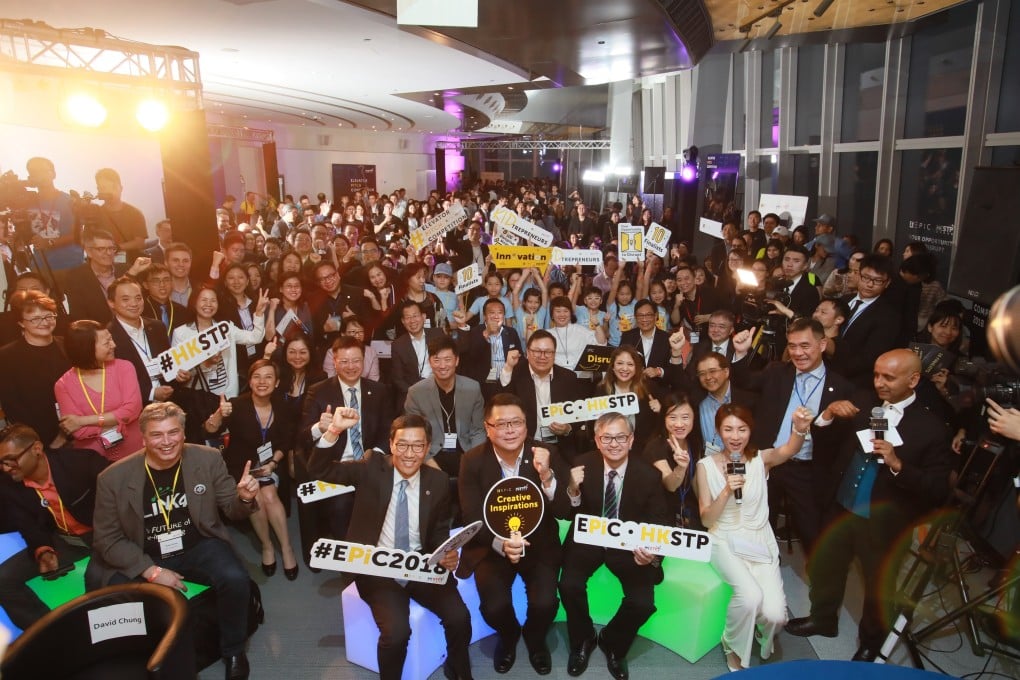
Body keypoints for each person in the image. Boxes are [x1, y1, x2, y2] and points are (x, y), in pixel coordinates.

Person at [786, 349, 954, 662]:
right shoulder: (863, 402)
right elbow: (829, 442)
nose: (879, 383)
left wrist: (897, 464)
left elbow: (937, 488)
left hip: (883, 521)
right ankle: (823, 619)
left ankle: (871, 642)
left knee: (879, 586)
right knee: (826, 567)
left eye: (889, 377)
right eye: (876, 374)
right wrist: (829, 415)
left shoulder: (930, 427)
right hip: (841, 506)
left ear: (914, 379)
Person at [86, 402, 260, 680]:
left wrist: (245, 498)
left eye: (173, 432)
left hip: (197, 543)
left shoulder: (208, 459)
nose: (167, 442)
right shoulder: (112, 478)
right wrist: (151, 571)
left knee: (235, 577)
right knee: (119, 595)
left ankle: (234, 650)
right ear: (143, 438)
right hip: (145, 551)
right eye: (157, 435)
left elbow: (232, 507)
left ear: (183, 433)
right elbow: (106, 539)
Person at [307, 413, 472, 680]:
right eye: (402, 445)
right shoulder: (372, 467)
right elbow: (320, 470)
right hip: (376, 565)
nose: (410, 453)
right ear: (392, 445)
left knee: (460, 618)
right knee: (396, 633)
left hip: (420, 563)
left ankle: (458, 668)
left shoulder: (438, 482)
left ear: (427, 447)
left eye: (418, 445)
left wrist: (445, 554)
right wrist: (333, 432)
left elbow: (439, 532)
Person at [457, 393, 572, 675]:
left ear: (527, 425)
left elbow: (565, 510)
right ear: (488, 428)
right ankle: (508, 636)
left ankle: (534, 637)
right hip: (492, 546)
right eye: (501, 423)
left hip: (539, 545)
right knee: (493, 607)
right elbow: (471, 516)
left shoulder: (547, 454)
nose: (509, 430)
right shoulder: (472, 461)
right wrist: (500, 543)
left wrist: (547, 476)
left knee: (546, 603)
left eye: (516, 422)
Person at [696, 403, 815, 671]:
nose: (735, 436)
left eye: (742, 429)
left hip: (759, 540)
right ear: (718, 431)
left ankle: (762, 632)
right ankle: (732, 643)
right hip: (723, 539)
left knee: (776, 616)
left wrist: (799, 427)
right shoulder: (705, 466)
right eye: (728, 429)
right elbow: (706, 519)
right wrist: (727, 490)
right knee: (749, 596)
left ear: (750, 431)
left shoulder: (761, 459)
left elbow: (790, 449)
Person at [729, 318, 856, 554]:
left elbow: (838, 441)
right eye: (792, 346)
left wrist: (826, 417)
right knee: (755, 522)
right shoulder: (777, 372)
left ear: (822, 344)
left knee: (812, 530)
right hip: (769, 463)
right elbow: (744, 381)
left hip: (807, 469)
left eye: (805, 346)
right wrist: (740, 353)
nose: (798, 353)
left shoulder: (841, 388)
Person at [559, 413, 669, 680]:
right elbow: (567, 514)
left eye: (621, 437)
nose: (614, 443)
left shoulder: (649, 475)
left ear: (631, 440)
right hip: (589, 539)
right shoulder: (582, 465)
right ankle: (583, 639)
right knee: (568, 585)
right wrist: (573, 490)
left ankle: (613, 642)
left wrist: (652, 553)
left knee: (642, 603)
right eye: (606, 437)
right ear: (597, 440)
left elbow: (660, 522)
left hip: (629, 545)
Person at [0, 424, 108, 629]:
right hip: (65, 540)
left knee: (96, 578)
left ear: (37, 449)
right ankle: (49, 633)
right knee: (2, 580)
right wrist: (43, 551)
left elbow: (122, 496)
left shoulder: (81, 462)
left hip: (106, 535)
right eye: (1, 463)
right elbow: (28, 525)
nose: (6, 468)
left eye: (11, 459)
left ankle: (101, 636)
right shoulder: (10, 487)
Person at [204, 360, 298, 580]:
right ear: (250, 380)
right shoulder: (236, 404)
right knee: (255, 495)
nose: (262, 382)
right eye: (257, 376)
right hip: (242, 465)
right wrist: (219, 414)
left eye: (268, 377)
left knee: (269, 493)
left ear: (276, 383)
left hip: (271, 463)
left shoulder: (283, 407)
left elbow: (287, 441)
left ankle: (286, 548)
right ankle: (267, 546)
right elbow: (208, 431)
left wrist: (273, 463)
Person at [299, 335, 393, 542]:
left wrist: (374, 455)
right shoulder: (319, 391)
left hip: (370, 464)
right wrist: (319, 427)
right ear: (334, 362)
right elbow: (302, 437)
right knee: (341, 506)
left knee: (383, 501)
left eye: (356, 361)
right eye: (344, 361)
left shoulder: (379, 391)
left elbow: (388, 430)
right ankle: (349, 557)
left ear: (364, 361)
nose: (351, 366)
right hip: (336, 465)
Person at [54, 320, 143, 461]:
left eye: (111, 339)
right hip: (93, 459)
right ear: (86, 348)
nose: (114, 345)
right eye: (107, 343)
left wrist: (83, 420)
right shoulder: (63, 384)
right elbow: (77, 430)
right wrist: (117, 421)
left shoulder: (124, 368)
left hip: (135, 451)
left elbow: (132, 410)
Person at [403, 336, 486, 478]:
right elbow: (414, 436)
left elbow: (478, 430)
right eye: (436, 360)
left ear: (457, 360)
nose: (442, 366)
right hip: (432, 457)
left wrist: (473, 462)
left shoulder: (472, 388)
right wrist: (435, 471)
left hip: (466, 453)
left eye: (447, 360)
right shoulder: (416, 392)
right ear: (430, 361)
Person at [0, 291, 70, 447]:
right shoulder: (7, 356)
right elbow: (13, 406)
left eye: (49, 316)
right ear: (21, 322)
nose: (44, 322)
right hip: (40, 437)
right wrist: (46, 440)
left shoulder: (67, 344)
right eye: (35, 319)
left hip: (77, 427)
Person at [171, 286, 268, 398]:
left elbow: (255, 337)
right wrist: (202, 365)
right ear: (194, 302)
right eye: (204, 300)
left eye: (213, 300)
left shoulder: (226, 328)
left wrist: (259, 313)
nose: (209, 304)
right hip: (198, 397)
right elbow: (178, 370)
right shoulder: (181, 333)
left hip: (228, 394)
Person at [830, 254, 900, 388]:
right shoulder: (843, 300)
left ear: (887, 283)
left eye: (877, 280)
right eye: (866, 278)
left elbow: (870, 357)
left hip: (854, 382)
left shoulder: (889, 316)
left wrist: (836, 369)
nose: (870, 284)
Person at [643, 393, 702, 529]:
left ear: (694, 418)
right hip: (661, 516)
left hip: (687, 513)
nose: (679, 424)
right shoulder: (655, 446)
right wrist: (681, 468)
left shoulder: (694, 443)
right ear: (664, 419)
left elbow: (694, 483)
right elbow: (670, 485)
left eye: (685, 417)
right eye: (672, 417)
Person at [458, 298, 523, 399]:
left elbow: (521, 357)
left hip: (506, 379)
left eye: (500, 313)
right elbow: (470, 358)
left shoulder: (511, 332)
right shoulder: (474, 332)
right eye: (492, 313)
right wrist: (487, 333)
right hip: (484, 382)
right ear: (484, 316)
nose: (496, 316)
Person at [390, 300, 444, 410]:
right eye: (408, 317)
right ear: (403, 321)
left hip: (439, 389)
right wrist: (416, 393)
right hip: (412, 394)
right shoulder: (398, 345)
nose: (412, 321)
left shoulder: (438, 334)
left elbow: (451, 359)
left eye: (415, 316)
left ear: (423, 317)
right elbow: (398, 379)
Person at [95, 167, 148, 260]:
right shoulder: (95, 214)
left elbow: (140, 243)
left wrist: (117, 247)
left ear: (121, 188)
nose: (109, 191)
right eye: (102, 188)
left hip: (129, 264)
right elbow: (86, 241)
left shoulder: (134, 213)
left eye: (113, 187)